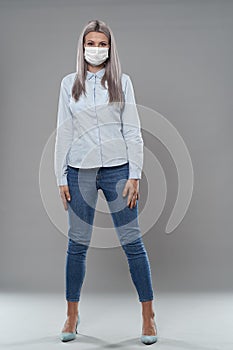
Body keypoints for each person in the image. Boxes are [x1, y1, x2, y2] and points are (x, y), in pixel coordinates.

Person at [54, 19, 157, 345]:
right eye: (91, 43)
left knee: (132, 243)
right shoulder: (69, 84)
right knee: (77, 244)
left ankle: (148, 316)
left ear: (110, 49)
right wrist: (60, 176)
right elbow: (64, 132)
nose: (96, 49)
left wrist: (134, 175)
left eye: (102, 44)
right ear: (81, 46)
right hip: (79, 170)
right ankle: (72, 313)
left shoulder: (122, 82)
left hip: (117, 170)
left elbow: (132, 130)